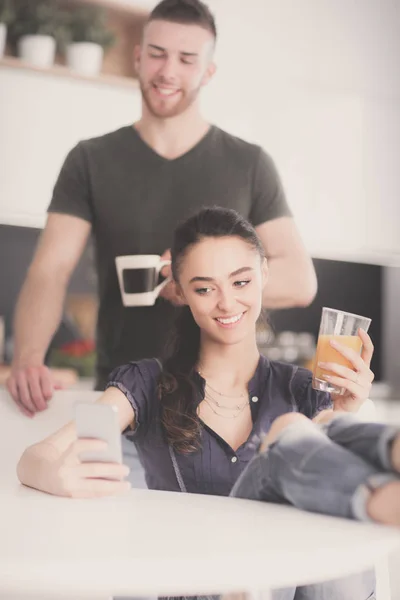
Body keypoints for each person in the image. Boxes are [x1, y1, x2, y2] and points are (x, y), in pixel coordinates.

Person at [17, 207, 400, 600]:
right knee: (290, 433)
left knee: (310, 460)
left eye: (241, 281)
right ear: (180, 292)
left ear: (264, 275)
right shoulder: (148, 383)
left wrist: (345, 412)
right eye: (205, 288)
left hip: (276, 586)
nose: (226, 302)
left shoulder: (304, 388)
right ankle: (384, 465)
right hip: (191, 587)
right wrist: (54, 475)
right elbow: (36, 457)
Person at [7, 0, 317, 418]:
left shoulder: (249, 164)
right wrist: (28, 357)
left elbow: (300, 281)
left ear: (207, 72)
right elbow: (50, 270)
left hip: (229, 407)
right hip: (122, 399)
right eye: (157, 54)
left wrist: (197, 285)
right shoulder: (90, 160)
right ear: (138, 58)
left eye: (187, 59)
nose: (168, 71)